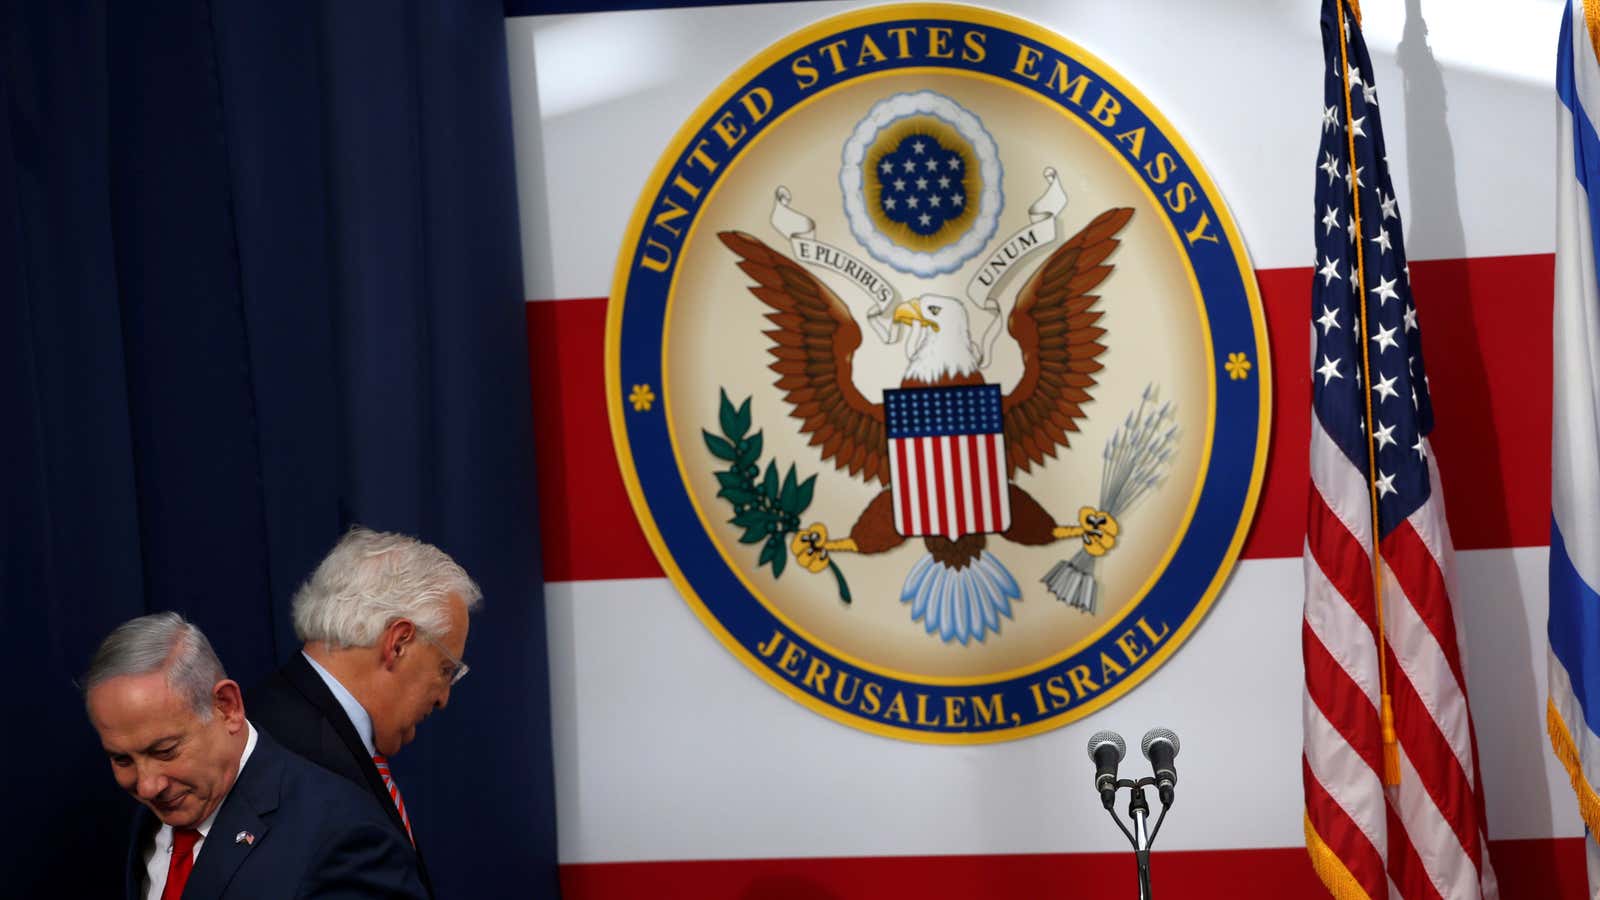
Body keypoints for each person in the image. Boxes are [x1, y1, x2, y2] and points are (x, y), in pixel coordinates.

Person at [83, 612, 427, 900]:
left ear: (227, 707)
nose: (146, 787)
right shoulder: (160, 811)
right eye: (122, 760)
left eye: (165, 751)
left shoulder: (346, 836)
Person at [246, 526, 481, 898]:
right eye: (446, 669)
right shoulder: (287, 755)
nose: (443, 699)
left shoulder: (284, 717)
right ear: (398, 643)